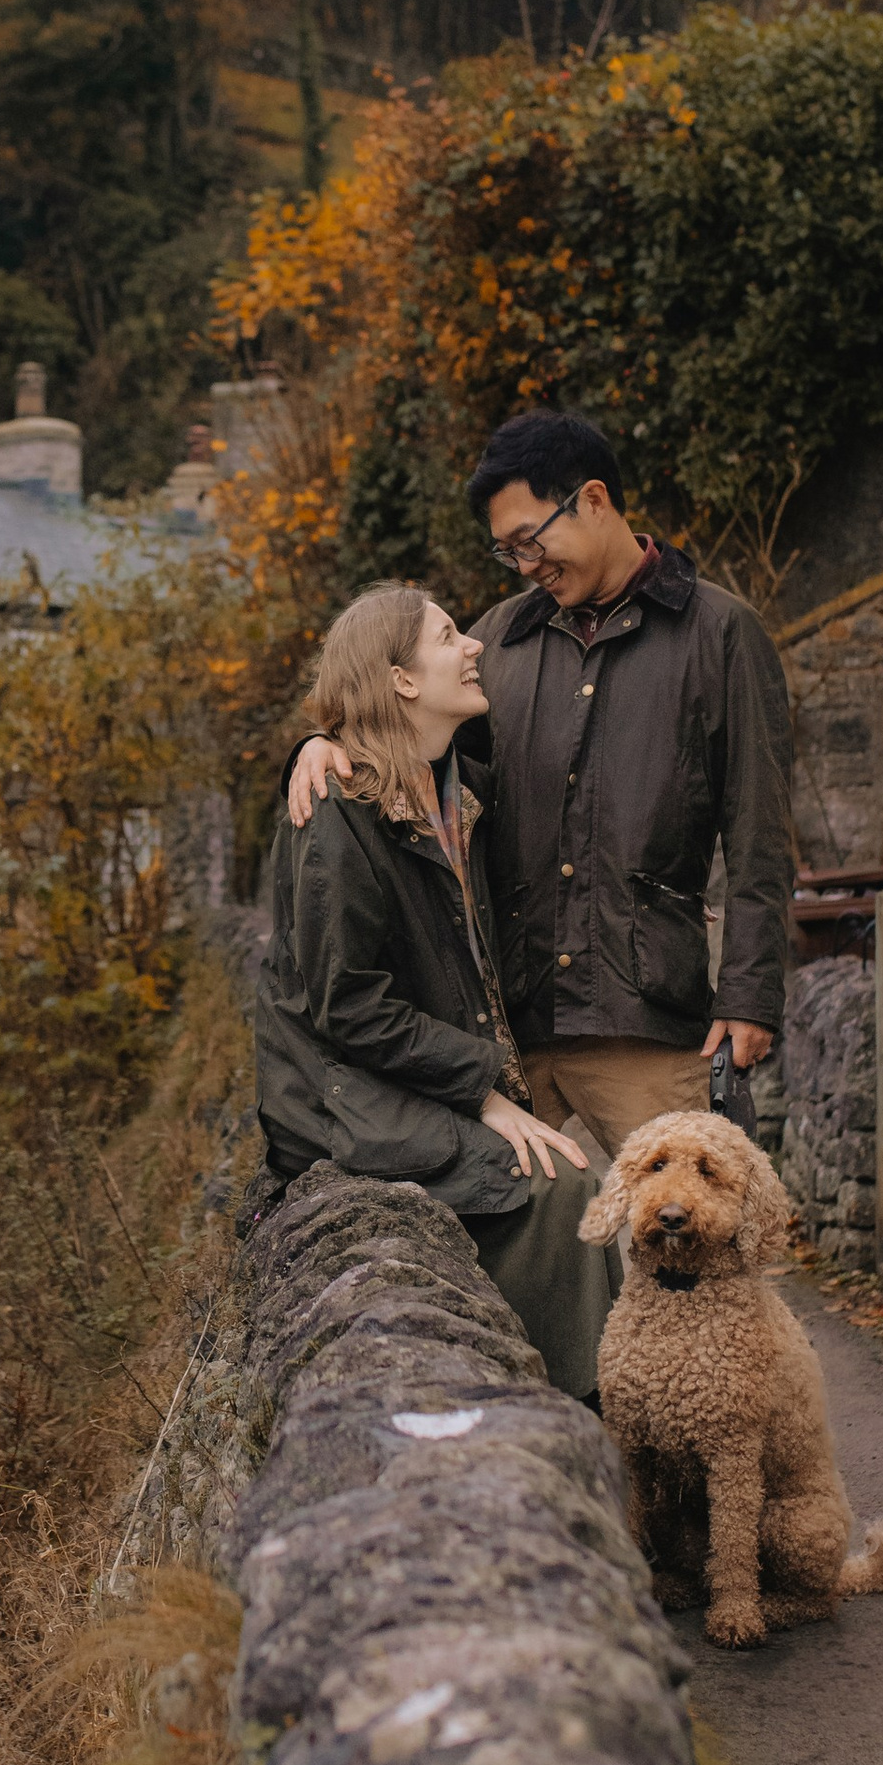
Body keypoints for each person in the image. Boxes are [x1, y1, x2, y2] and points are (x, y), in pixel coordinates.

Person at [289, 406, 793, 1172]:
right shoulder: (497, 638)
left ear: (593, 499)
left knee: (696, 1232)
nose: (524, 565)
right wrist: (323, 744)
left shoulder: (720, 634)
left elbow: (761, 832)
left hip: (648, 1020)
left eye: (530, 541)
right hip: (503, 1025)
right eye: (507, 551)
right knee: (478, 1235)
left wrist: (750, 994)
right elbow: (418, 762)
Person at [255, 577, 617, 1404]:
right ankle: (576, 1415)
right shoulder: (337, 810)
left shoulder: (456, 786)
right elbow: (347, 1006)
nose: (474, 645)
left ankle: (598, 1415)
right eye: (449, 636)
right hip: (340, 1096)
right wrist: (483, 1094)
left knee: (570, 1181)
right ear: (402, 680)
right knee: (564, 1189)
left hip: (402, 1073)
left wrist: (315, 737)